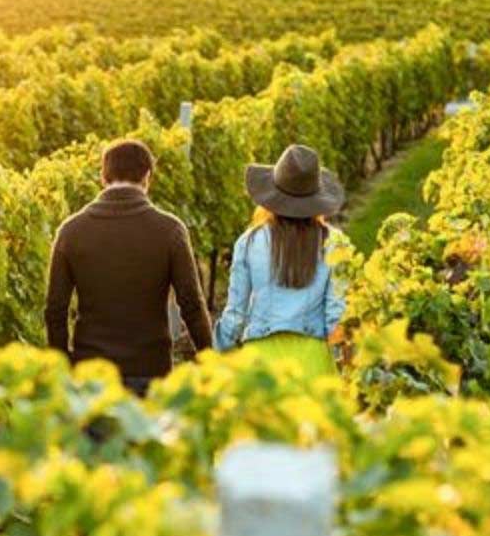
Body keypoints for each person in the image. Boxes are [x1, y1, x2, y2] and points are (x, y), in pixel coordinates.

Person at [45, 139, 213, 395]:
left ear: (103, 176)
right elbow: (191, 303)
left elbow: (55, 310)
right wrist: (208, 359)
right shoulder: (170, 230)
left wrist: (65, 364)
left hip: (91, 374)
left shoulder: (71, 231)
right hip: (151, 372)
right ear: (147, 177)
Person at [214, 144, 347, 377]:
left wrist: (217, 351)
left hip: (260, 362)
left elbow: (235, 315)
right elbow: (336, 314)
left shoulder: (249, 242)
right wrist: (345, 363)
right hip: (312, 362)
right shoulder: (335, 242)